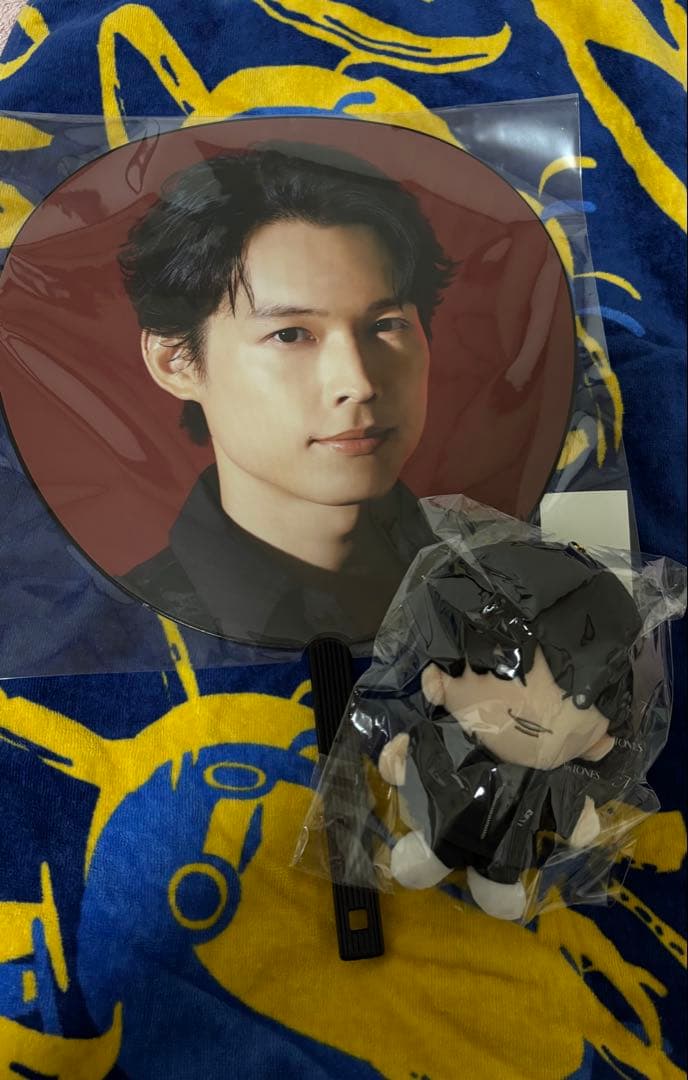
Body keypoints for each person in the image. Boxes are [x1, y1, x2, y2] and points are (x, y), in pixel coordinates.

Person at [118, 143, 455, 648]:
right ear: (176, 362)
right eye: (291, 334)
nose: (359, 383)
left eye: (386, 325)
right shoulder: (110, 642)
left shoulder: (513, 587)